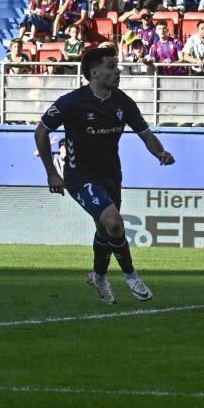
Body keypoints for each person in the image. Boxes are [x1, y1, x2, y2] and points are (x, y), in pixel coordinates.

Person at [34, 47, 176, 304]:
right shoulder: (71, 102)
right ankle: (131, 275)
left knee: (105, 230)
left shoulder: (123, 102)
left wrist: (160, 152)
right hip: (79, 176)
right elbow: (41, 132)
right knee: (114, 222)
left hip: (111, 175)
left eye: (117, 66)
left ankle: (98, 277)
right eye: (111, 66)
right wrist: (52, 174)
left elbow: (145, 134)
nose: (117, 71)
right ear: (94, 72)